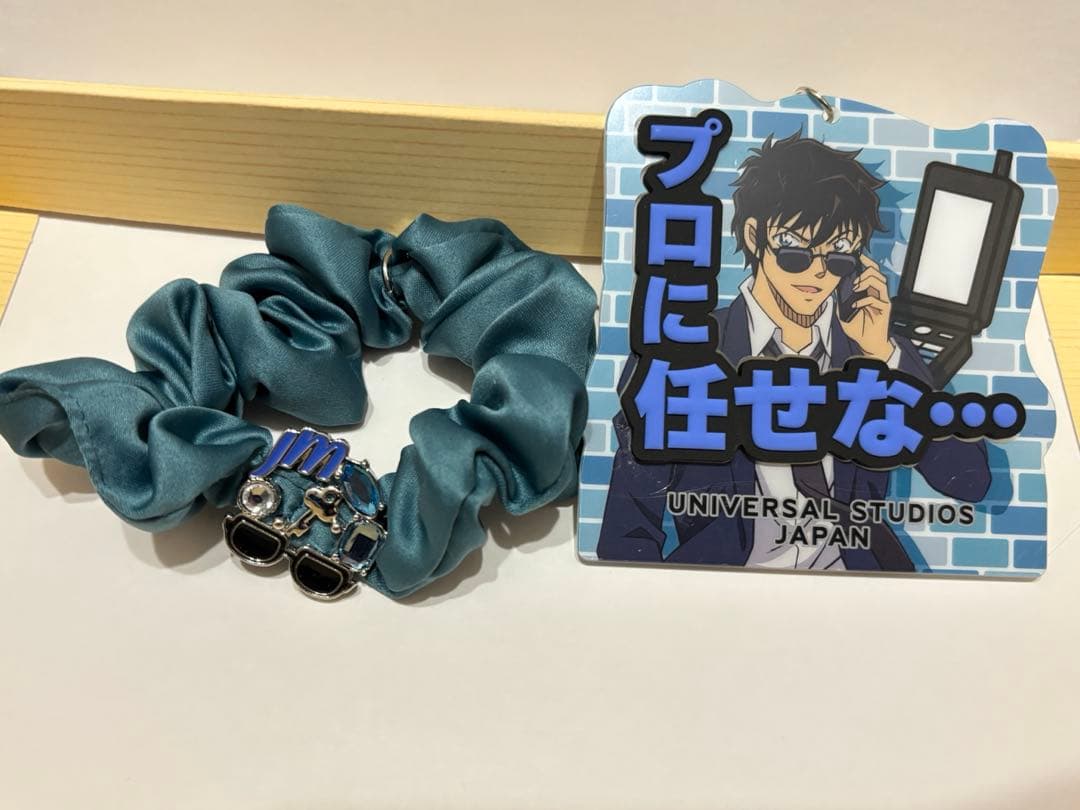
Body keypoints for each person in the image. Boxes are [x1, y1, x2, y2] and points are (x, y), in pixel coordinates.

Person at [597, 133, 991, 571]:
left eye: (838, 254)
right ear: (755, 236)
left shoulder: (870, 348)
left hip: (856, 581)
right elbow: (628, 526)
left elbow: (970, 481)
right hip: (726, 583)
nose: (818, 273)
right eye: (795, 251)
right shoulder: (683, 349)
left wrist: (883, 355)